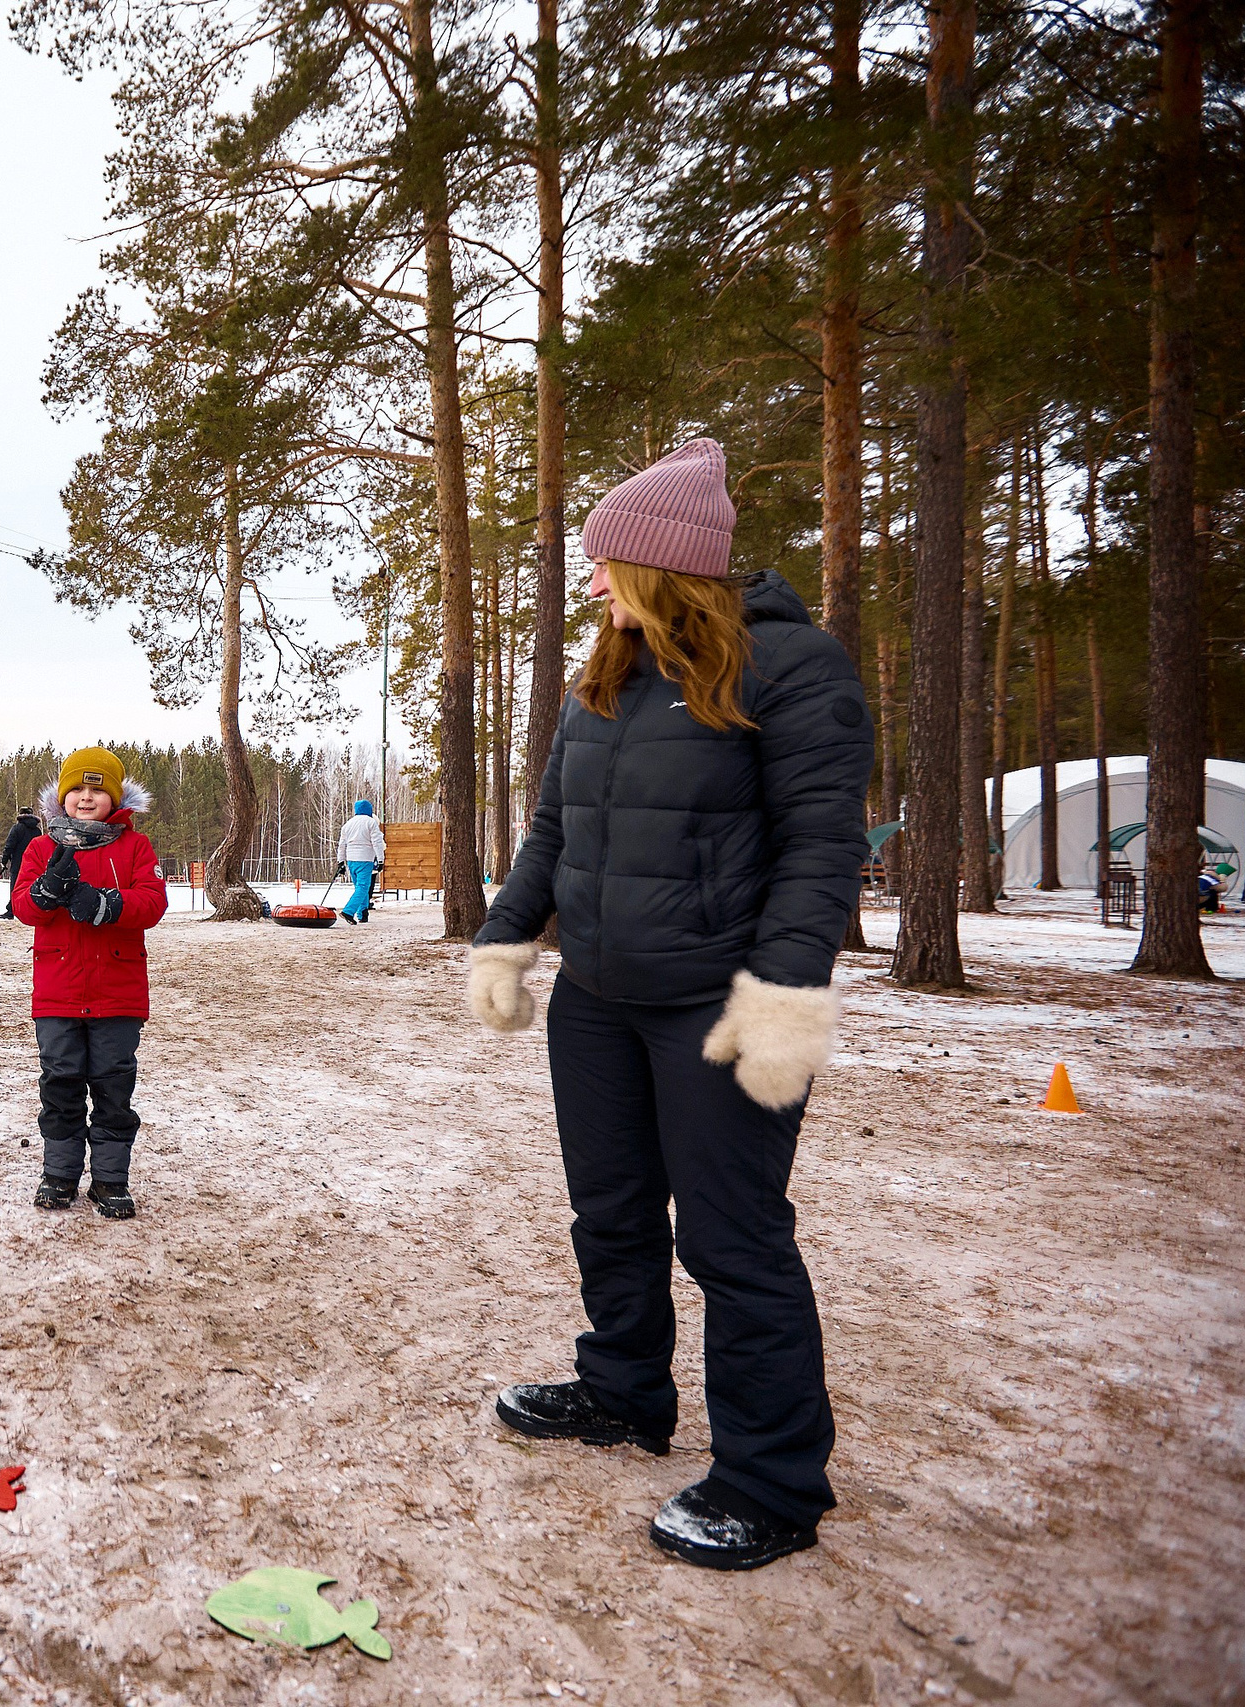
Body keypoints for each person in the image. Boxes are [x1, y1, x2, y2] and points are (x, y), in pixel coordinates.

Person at [461, 437, 873, 1572]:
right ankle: (625, 1391)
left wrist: (784, 995)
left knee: (734, 1243)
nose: (591, 583)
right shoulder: (603, 677)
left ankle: (771, 1481)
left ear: (659, 566)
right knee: (611, 1211)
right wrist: (505, 938)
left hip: (714, 1007)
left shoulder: (793, 670)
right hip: (595, 1000)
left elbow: (818, 852)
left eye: (604, 563)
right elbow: (552, 831)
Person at [10, 747, 169, 1218]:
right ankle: (59, 1177)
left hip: (116, 996)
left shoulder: (135, 847)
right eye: (77, 788)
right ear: (63, 795)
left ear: (115, 797)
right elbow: (23, 907)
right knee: (60, 1085)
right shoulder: (42, 848)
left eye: (98, 789)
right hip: (57, 995)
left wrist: (107, 905)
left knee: (113, 1089)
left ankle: (110, 1181)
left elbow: (152, 903)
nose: (86, 797)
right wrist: (46, 892)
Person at [336, 799, 384, 922]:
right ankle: (348, 911)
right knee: (363, 887)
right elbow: (377, 842)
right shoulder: (371, 823)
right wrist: (380, 860)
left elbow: (342, 844)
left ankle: (363, 914)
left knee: (359, 887)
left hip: (351, 859)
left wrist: (340, 861)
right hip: (365, 859)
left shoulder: (348, 824)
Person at [0, 804, 41, 919]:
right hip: (33, 864)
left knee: (15, 888)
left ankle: (11, 911)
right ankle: (27, 910)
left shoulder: (17, 828)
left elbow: (9, 845)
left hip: (18, 864)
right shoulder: (37, 831)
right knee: (30, 888)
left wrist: (4, 860)